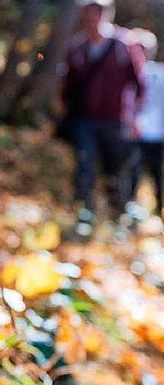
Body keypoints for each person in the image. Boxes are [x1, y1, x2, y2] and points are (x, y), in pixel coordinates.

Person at [61, 0, 145, 237]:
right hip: (84, 119)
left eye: (95, 15)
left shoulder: (124, 44)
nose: (91, 21)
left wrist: (134, 116)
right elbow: (69, 84)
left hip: (115, 119)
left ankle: (117, 214)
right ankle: (84, 215)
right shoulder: (78, 47)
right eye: (87, 16)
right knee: (84, 164)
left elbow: (139, 83)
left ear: (106, 15)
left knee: (115, 168)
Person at [131, 29, 164, 217]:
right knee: (131, 177)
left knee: (157, 177)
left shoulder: (159, 72)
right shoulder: (125, 71)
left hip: (156, 134)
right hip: (133, 133)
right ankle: (130, 212)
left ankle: (159, 213)